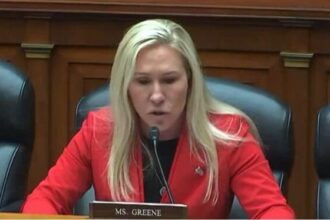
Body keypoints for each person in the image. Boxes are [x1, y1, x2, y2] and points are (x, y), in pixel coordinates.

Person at [22, 19, 295, 218]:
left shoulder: (229, 136)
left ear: (190, 81)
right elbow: (45, 200)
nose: (156, 95)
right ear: (125, 86)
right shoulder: (99, 131)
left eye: (169, 80)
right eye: (142, 81)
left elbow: (272, 211)